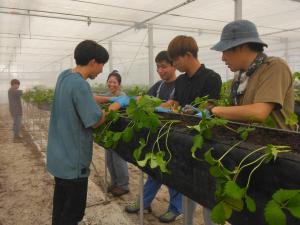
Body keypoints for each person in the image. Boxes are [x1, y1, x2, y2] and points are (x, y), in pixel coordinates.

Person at [47, 40, 117, 225]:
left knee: (61, 206)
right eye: (102, 65)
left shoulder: (65, 76)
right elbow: (95, 121)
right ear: (93, 62)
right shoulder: (80, 85)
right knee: (73, 214)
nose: (102, 70)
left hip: (59, 158)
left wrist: (108, 98)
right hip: (73, 163)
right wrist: (116, 106)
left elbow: (85, 97)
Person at [162, 35, 222, 225]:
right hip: (183, 140)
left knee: (207, 193)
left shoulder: (211, 78)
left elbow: (211, 110)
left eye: (175, 60)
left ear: (188, 55)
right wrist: (165, 106)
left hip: (203, 142)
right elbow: (177, 104)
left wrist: (200, 112)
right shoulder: (180, 81)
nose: (174, 64)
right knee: (186, 187)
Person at [124, 51, 183, 223]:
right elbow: (145, 100)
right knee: (153, 170)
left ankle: (176, 209)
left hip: (174, 137)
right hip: (156, 136)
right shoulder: (158, 86)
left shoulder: (181, 86)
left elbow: (171, 105)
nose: (160, 70)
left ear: (174, 65)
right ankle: (144, 202)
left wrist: (151, 107)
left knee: (172, 174)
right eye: (158, 67)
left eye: (164, 66)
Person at [210, 19, 295, 131]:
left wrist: (214, 110)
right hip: (248, 143)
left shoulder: (274, 67)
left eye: (224, 50)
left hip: (275, 144)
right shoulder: (239, 78)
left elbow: (259, 112)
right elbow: (236, 112)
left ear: (242, 47)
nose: (222, 58)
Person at [104, 70, 130, 197]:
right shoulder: (107, 96)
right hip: (109, 132)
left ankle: (123, 185)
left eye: (114, 82)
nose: (111, 84)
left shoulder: (122, 96)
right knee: (109, 159)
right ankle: (115, 182)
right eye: (109, 81)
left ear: (119, 84)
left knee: (118, 159)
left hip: (119, 132)